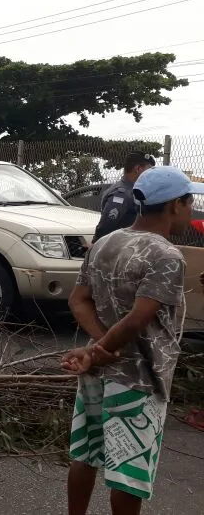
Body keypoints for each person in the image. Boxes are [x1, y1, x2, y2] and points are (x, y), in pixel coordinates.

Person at [63, 166, 204, 515]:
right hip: (139, 378)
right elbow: (139, 319)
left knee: (85, 454)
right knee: (129, 472)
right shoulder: (167, 256)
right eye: (190, 202)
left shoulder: (107, 242)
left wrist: (98, 350)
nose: (192, 210)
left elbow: (78, 300)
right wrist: (102, 350)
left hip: (96, 372)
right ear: (175, 204)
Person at [93, 151, 157, 242]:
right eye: (149, 169)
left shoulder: (133, 190)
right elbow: (107, 225)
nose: (151, 173)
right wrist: (96, 243)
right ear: (138, 168)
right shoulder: (121, 194)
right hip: (119, 248)